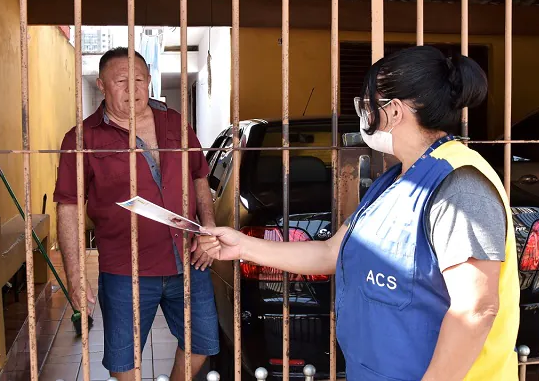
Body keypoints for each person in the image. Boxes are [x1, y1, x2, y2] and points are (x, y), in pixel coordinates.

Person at [197, 46, 519, 380]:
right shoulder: (395, 180)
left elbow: (476, 308)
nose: (363, 114)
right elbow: (330, 252)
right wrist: (241, 246)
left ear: (393, 111)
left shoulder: (460, 185)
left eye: (366, 104)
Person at [54, 47, 219, 381]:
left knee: (202, 342)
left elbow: (199, 176)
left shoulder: (175, 123)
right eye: (122, 81)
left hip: (188, 261)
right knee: (123, 361)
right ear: (102, 85)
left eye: (140, 80)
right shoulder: (82, 139)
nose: (133, 89)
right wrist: (74, 276)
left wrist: (209, 229)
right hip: (124, 270)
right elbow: (68, 206)